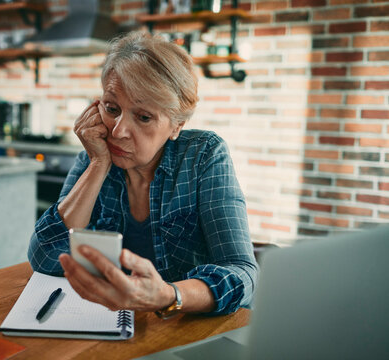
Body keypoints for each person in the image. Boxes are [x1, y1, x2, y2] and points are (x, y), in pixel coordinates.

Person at [28, 31, 257, 317]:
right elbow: (43, 257)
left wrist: (167, 295)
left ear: (177, 125)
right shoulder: (94, 157)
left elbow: (243, 274)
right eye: (112, 109)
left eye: (144, 117)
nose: (118, 131)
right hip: (110, 326)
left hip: (184, 329)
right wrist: (99, 164)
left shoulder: (203, 155)